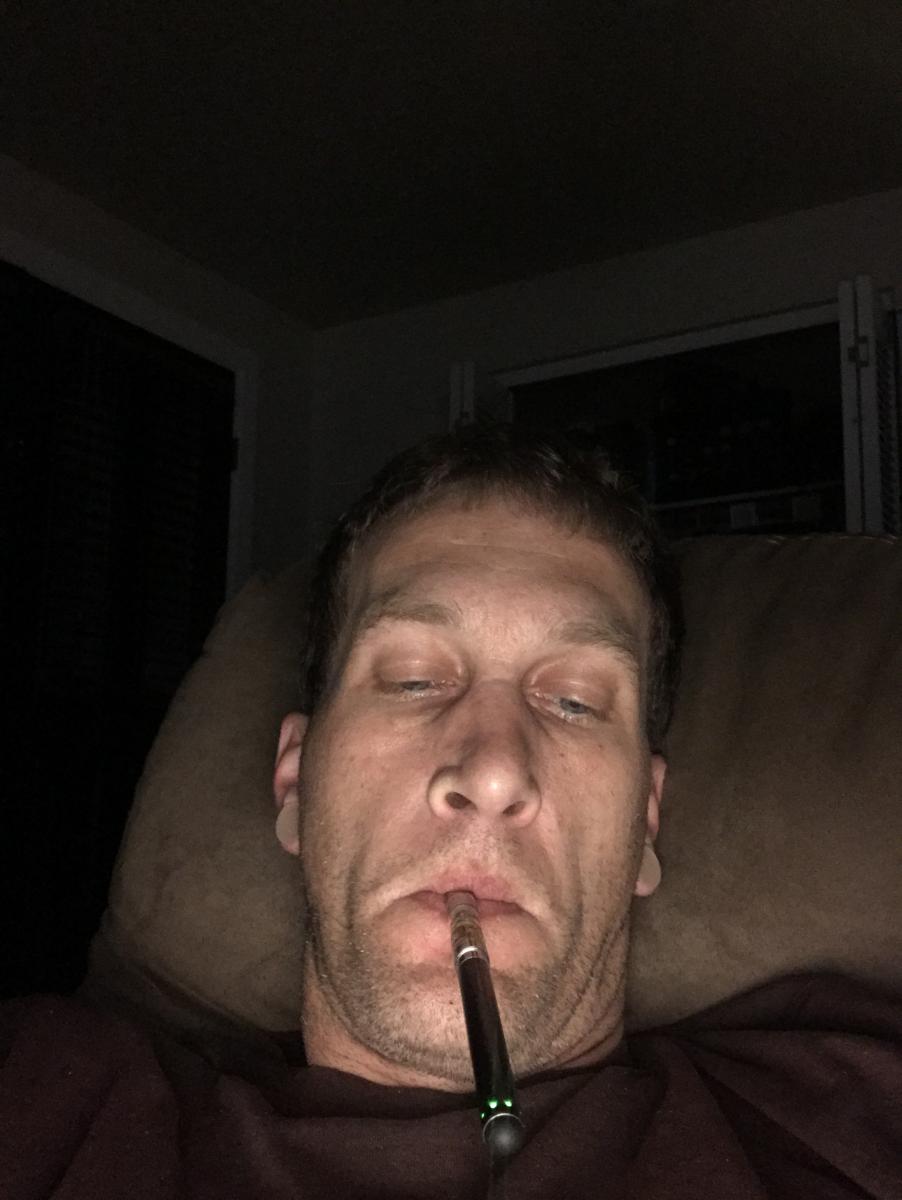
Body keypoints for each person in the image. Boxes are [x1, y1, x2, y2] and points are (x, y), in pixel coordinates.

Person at [1, 423, 900, 1199]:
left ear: (646, 825)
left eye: (574, 702)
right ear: (296, 784)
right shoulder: (54, 1099)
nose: (494, 772)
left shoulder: (835, 1117)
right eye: (413, 679)